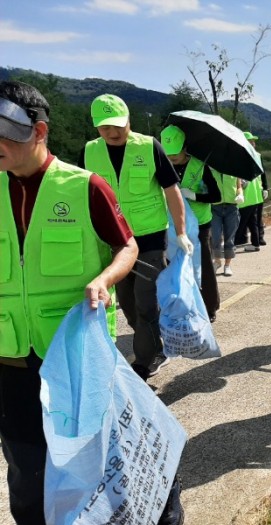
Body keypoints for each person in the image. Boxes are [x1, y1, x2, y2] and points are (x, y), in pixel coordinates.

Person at [0, 80, 138, 525]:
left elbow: (127, 247)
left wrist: (104, 278)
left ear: (39, 132)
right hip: (10, 362)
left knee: (97, 464)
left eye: (6, 133)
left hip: (75, 361)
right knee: (25, 471)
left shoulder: (85, 187)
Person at [79, 93, 193, 381]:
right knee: (127, 305)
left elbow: (172, 190)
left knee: (145, 303)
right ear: (96, 127)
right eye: (105, 127)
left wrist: (180, 232)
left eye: (118, 125)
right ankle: (153, 342)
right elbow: (83, 196)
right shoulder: (89, 152)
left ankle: (145, 360)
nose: (113, 132)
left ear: (129, 120)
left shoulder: (149, 146)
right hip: (111, 240)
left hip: (149, 239)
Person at [161, 124, 222, 322]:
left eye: (175, 156)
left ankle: (208, 307)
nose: (171, 160)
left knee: (202, 266)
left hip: (199, 225)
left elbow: (215, 195)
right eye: (168, 156)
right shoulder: (161, 166)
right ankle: (180, 305)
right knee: (174, 267)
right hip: (171, 224)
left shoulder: (199, 167)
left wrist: (194, 194)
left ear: (185, 148)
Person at [235, 131, 268, 251]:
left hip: (251, 194)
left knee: (249, 220)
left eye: (253, 141)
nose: (253, 143)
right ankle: (252, 242)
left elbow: (263, 174)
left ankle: (254, 240)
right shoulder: (242, 156)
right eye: (250, 141)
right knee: (251, 220)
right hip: (250, 195)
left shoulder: (255, 155)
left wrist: (265, 188)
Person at [211, 168, 244, 277]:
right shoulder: (209, 169)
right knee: (215, 236)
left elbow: (239, 186)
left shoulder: (234, 169)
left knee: (229, 238)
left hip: (232, 207)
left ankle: (227, 265)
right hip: (214, 207)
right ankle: (217, 261)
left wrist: (240, 195)